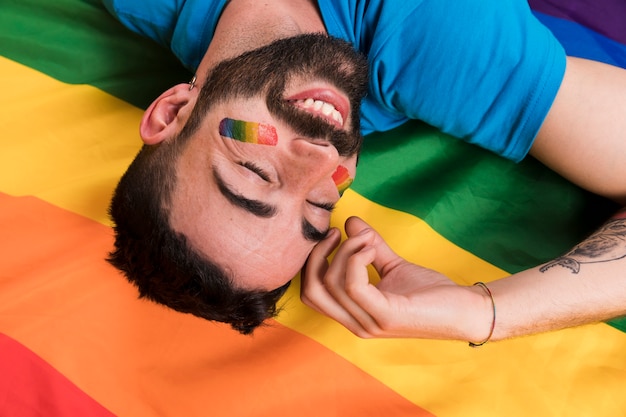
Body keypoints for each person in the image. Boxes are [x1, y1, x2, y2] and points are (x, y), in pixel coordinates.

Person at [103, 0, 626, 342]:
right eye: (320, 204)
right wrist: (485, 313)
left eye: (258, 173)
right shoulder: (426, 43)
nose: (324, 159)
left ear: (172, 112)